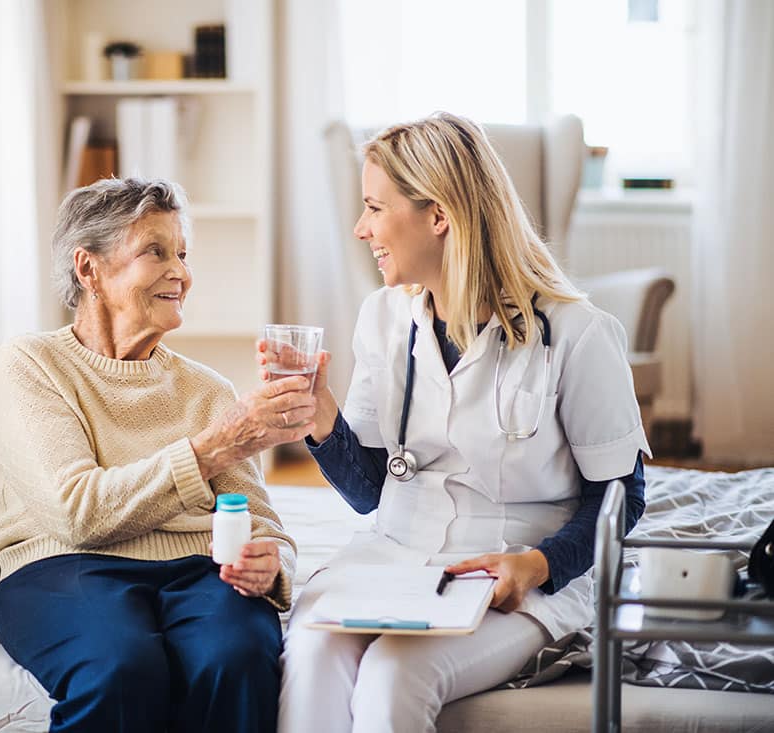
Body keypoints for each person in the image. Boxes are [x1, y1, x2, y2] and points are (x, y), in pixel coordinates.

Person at [275, 112, 650, 732]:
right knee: (311, 652)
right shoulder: (382, 317)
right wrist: (322, 418)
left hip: (514, 571)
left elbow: (620, 494)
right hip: (394, 556)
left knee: (397, 672)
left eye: (374, 207)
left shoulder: (579, 334)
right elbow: (372, 491)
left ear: (439, 216)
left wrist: (540, 563)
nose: (360, 228)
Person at [0, 177, 312, 733]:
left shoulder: (206, 388)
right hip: (64, 568)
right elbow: (76, 513)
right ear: (88, 270)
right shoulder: (31, 364)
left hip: (200, 569)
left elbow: (261, 523)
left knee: (235, 657)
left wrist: (271, 564)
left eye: (182, 254)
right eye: (154, 252)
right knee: (121, 668)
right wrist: (212, 447)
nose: (180, 273)